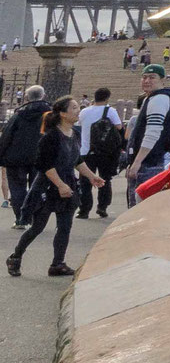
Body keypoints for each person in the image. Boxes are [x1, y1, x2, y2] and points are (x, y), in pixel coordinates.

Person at [8, 97, 101, 278]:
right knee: (37, 227)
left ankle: (57, 264)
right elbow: (44, 165)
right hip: (48, 187)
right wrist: (60, 185)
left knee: (65, 227)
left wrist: (92, 176)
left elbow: (77, 160)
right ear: (62, 113)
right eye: (74, 107)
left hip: (67, 186)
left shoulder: (74, 134)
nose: (78, 110)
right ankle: (15, 257)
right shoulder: (50, 137)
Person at [125, 66, 170, 201]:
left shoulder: (158, 99)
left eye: (152, 78)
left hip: (148, 163)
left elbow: (152, 133)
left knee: (138, 209)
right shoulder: (152, 98)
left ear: (162, 80)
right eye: (144, 77)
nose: (147, 81)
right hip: (149, 161)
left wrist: (137, 162)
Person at [1, 87, 51, 228]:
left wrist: (2, 155)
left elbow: (6, 136)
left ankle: (21, 219)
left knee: (17, 188)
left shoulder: (18, 115)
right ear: (44, 95)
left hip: (16, 158)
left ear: (26, 97)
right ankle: (35, 218)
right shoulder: (50, 115)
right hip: (41, 157)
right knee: (38, 188)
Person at [75, 90, 124, 219]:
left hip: (86, 151)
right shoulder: (110, 111)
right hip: (105, 151)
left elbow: (78, 125)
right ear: (107, 98)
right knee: (105, 179)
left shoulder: (84, 111)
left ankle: (84, 210)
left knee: (85, 181)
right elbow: (119, 127)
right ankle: (102, 207)